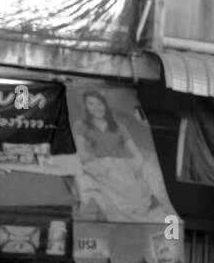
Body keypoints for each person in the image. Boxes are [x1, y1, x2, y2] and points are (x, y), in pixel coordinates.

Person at [72, 89, 168, 221]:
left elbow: (136, 154)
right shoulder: (81, 127)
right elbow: (82, 152)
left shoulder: (123, 131)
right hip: (98, 173)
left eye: (99, 104)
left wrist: (136, 167)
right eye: (91, 104)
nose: (96, 108)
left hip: (127, 181)